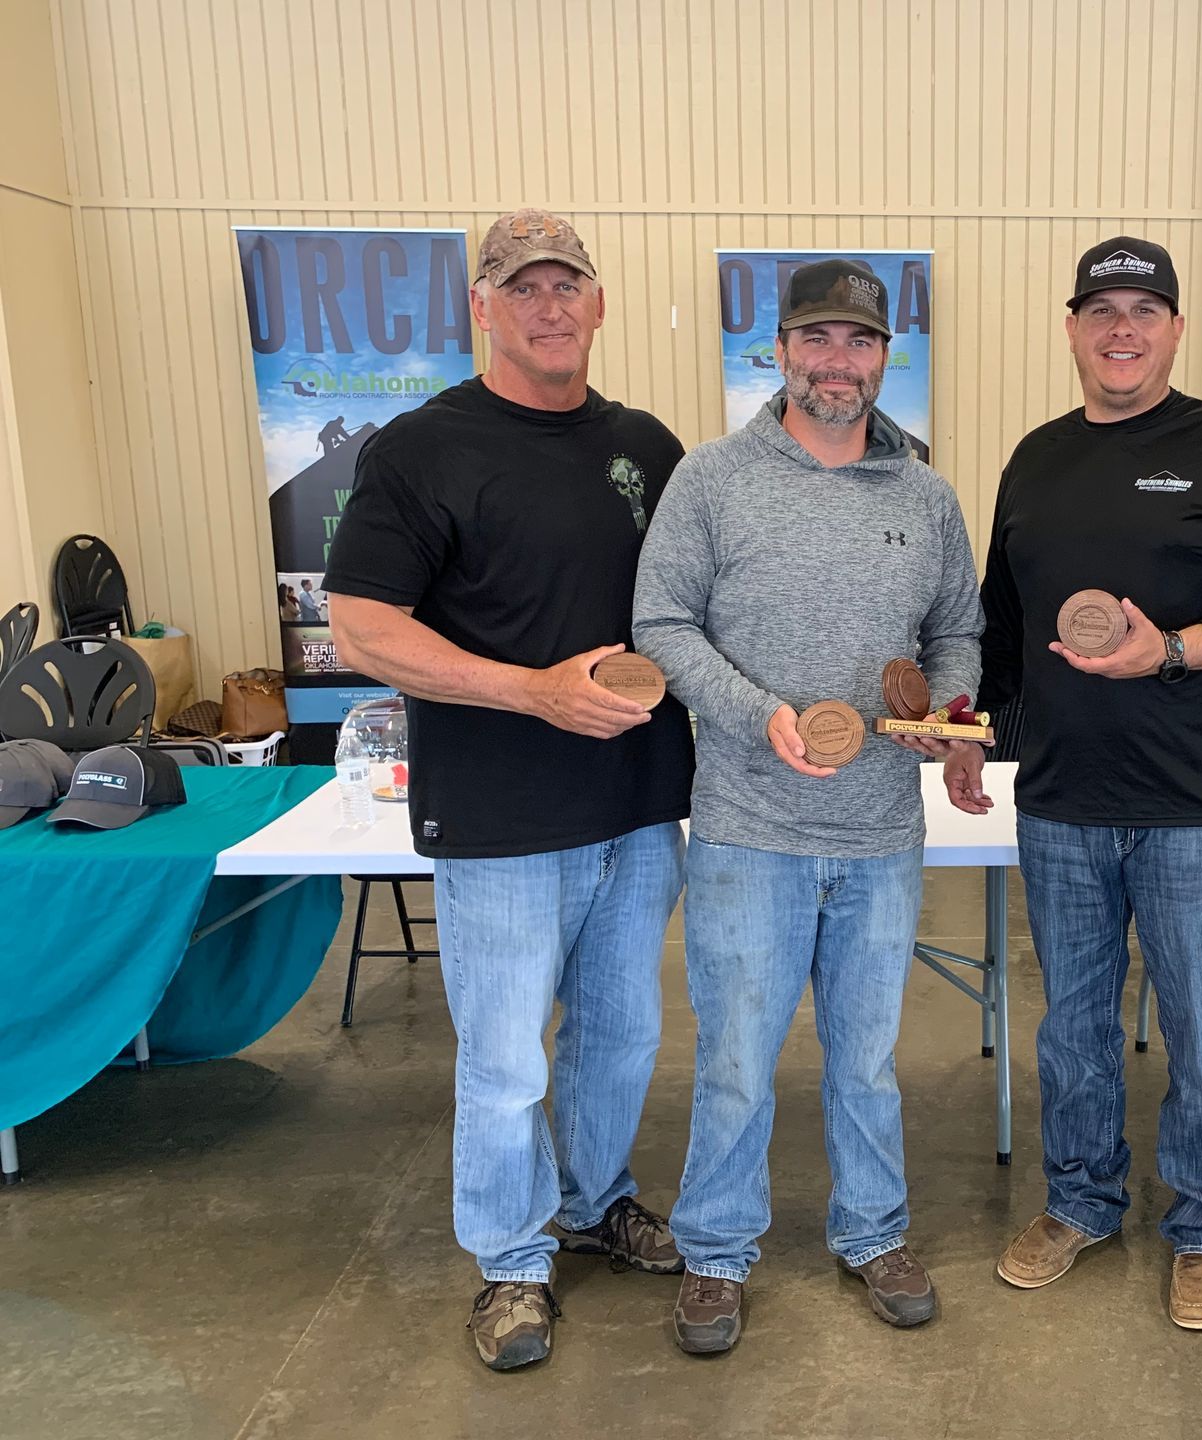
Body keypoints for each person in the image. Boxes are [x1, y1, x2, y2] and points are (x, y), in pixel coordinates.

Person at [323, 209, 696, 1372]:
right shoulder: (420, 449)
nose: (547, 306)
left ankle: (593, 1203)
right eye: (520, 287)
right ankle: (511, 1262)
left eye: (566, 285)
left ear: (598, 302)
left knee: (623, 1035)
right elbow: (363, 628)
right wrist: (530, 691)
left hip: (638, 803)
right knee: (503, 1060)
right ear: (480, 307)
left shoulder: (648, 445)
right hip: (499, 816)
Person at [942, 236, 1202, 1330]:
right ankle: (1079, 1203)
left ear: (1175, 329)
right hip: (1061, 798)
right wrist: (972, 725)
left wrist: (1182, 648)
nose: (1123, 330)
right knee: (1072, 1027)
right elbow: (1006, 626)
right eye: (1102, 310)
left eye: (1144, 311)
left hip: (1191, 804)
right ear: (1072, 328)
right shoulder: (1036, 457)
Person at [631, 258, 983, 1356]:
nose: (839, 362)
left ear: (887, 357)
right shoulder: (713, 479)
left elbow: (957, 630)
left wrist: (947, 708)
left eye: (861, 343)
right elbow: (662, 623)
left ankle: (873, 1232)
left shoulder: (927, 494)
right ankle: (718, 1252)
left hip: (881, 834)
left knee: (867, 1056)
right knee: (736, 1053)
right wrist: (757, 714)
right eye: (817, 341)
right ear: (779, 351)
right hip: (748, 830)